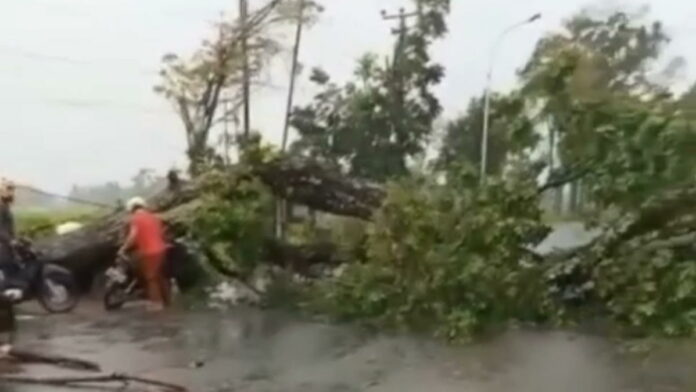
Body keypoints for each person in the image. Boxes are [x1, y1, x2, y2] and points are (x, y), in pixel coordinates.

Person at [118, 197, 170, 310]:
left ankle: (156, 304)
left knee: (151, 279)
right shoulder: (154, 217)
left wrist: (124, 248)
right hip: (161, 250)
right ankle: (166, 301)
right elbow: (161, 233)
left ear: (131, 209)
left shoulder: (135, 219)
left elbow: (133, 236)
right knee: (160, 276)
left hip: (148, 252)